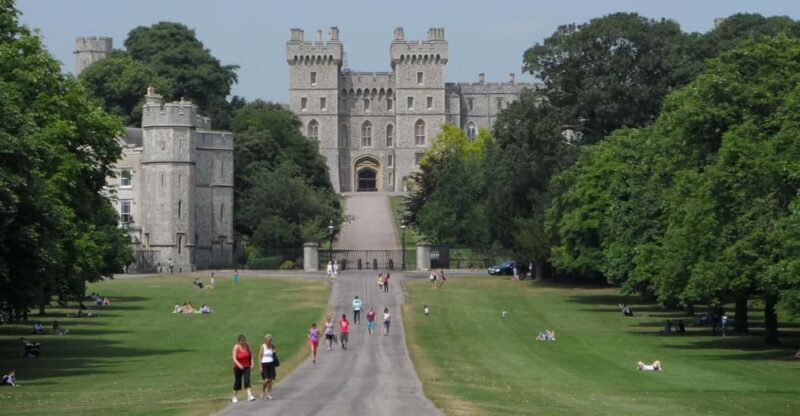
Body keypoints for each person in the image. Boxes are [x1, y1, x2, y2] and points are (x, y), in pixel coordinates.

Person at [231, 335, 256, 403]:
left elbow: (251, 355)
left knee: (247, 380)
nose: (243, 342)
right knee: (238, 382)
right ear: (239, 341)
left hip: (247, 366)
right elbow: (234, 357)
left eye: (244, 340)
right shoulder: (236, 347)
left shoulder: (247, 346)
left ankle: (249, 395)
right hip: (237, 367)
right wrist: (239, 365)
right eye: (242, 341)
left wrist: (252, 363)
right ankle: (234, 396)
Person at [258, 334, 277, 400]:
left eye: (270, 340)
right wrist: (260, 366)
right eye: (268, 340)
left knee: (270, 380)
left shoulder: (272, 346)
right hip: (264, 364)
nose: (269, 341)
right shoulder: (263, 346)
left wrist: (274, 352)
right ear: (265, 340)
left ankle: (269, 394)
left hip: (271, 364)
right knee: (266, 380)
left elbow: (274, 355)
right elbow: (260, 357)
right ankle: (263, 392)